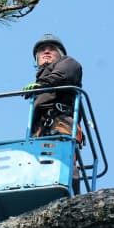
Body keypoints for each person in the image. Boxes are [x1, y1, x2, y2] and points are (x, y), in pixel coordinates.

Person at [23, 33, 83, 193]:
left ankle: (70, 195)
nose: (46, 51)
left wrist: (41, 85)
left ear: (60, 54)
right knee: (37, 164)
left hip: (60, 121)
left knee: (62, 160)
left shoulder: (69, 63)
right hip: (39, 130)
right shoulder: (40, 84)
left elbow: (64, 74)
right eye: (42, 49)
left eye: (52, 49)